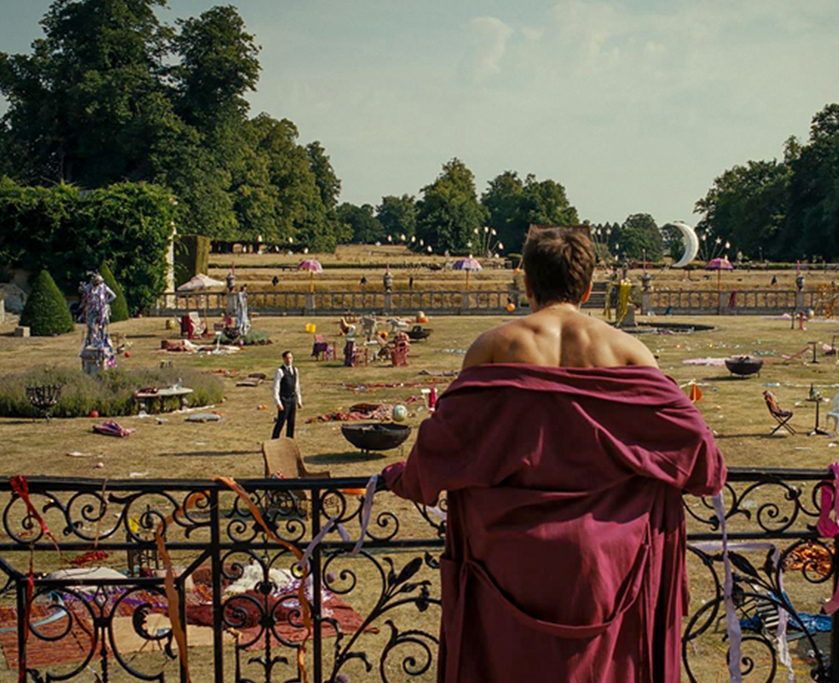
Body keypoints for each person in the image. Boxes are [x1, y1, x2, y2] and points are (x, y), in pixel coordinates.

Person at [382, 225, 725, 683]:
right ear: (587, 288)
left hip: (504, 563)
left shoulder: (492, 348)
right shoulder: (629, 353)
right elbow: (703, 462)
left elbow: (441, 449)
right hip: (610, 568)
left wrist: (400, 478)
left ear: (526, 284)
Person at [271, 350, 302, 439]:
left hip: (292, 399)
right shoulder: (280, 371)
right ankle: (274, 440)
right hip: (284, 399)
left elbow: (297, 386)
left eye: (290, 358)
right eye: (287, 358)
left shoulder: (295, 370)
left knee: (291, 422)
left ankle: (290, 441)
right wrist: (278, 402)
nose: (289, 360)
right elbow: (276, 387)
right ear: (284, 359)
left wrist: (299, 400)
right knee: (281, 421)